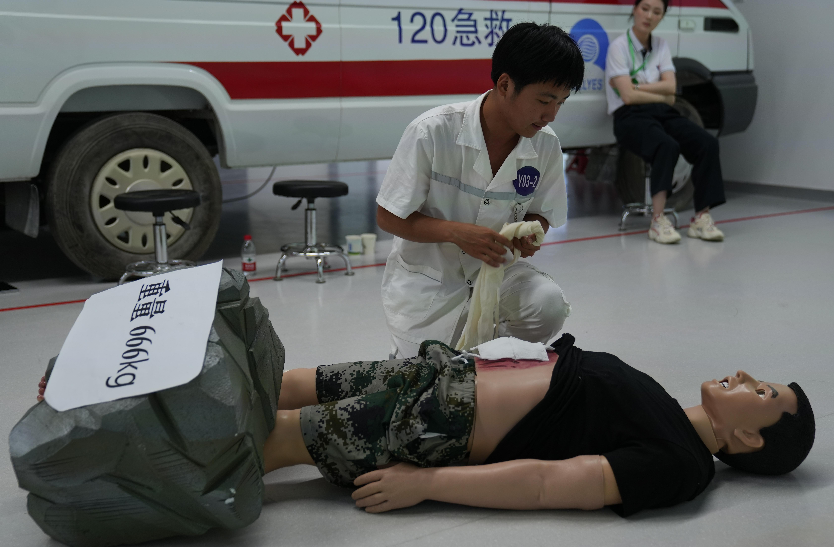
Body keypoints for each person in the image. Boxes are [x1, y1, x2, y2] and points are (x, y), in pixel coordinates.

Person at [39, 334, 814, 516]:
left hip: (439, 422)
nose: (747, 376)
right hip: (439, 374)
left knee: (270, 437)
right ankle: (100, 390)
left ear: (750, 438)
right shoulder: (666, 404)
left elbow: (555, 482)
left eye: (764, 392)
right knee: (278, 381)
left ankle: (91, 453)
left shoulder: (680, 465)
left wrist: (429, 483)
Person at [375, 23, 585, 358]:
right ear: (505, 85)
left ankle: (493, 357)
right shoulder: (432, 132)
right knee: (429, 373)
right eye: (544, 100)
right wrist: (455, 233)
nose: (551, 115)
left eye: (561, 102)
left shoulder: (545, 145)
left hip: (499, 274)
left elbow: (541, 213)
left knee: (547, 304)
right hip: (431, 282)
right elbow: (388, 217)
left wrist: (532, 233)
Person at [605, 0, 727, 245]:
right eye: (645, 8)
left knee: (707, 143)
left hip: (662, 112)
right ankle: (658, 221)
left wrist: (638, 87)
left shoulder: (661, 45)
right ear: (635, 9)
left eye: (657, 12)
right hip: (630, 116)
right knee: (666, 145)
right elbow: (627, 97)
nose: (649, 15)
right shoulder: (618, 47)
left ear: (662, 16)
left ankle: (701, 218)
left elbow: (671, 89)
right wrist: (657, 92)